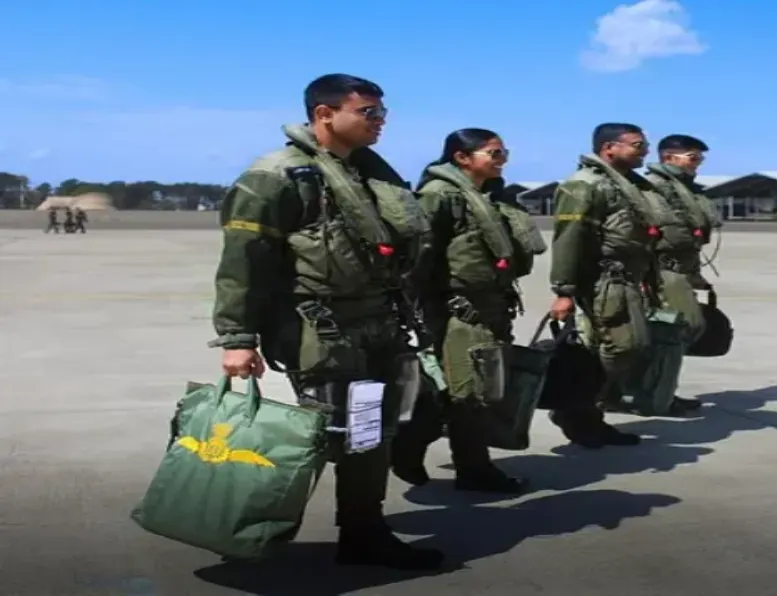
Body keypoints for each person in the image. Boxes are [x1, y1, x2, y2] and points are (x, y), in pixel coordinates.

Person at [209, 73, 444, 571]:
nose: (380, 122)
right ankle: (240, 518)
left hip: (377, 323)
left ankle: (363, 532)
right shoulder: (276, 176)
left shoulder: (366, 175)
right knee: (327, 436)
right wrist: (238, 339)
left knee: (370, 433)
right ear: (324, 114)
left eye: (381, 113)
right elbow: (242, 264)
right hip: (321, 330)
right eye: (369, 112)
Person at [389, 128, 544, 494]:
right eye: (493, 153)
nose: (501, 159)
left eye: (503, 152)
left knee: (476, 392)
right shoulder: (439, 197)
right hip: (458, 312)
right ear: (461, 157)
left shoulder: (489, 198)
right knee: (469, 394)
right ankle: (463, 465)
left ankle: (459, 460)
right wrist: (412, 314)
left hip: (492, 307)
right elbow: (417, 259)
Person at [546, 122, 667, 448]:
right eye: (637, 145)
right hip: (602, 282)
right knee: (619, 347)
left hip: (626, 280)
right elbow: (569, 240)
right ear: (609, 148)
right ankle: (576, 410)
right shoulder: (585, 186)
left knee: (629, 347)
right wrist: (564, 291)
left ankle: (586, 412)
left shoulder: (629, 185)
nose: (644, 152)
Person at [640, 133, 722, 413]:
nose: (698, 161)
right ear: (668, 157)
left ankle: (660, 391)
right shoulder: (651, 188)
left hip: (680, 271)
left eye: (700, 156)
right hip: (659, 271)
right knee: (676, 331)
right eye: (692, 156)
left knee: (677, 333)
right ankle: (655, 394)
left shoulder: (686, 189)